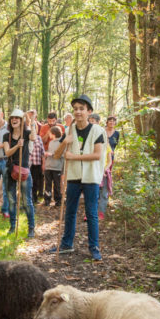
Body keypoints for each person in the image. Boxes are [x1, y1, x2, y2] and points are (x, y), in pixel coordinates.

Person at [51, 94, 107, 261]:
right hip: (74, 176)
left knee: (91, 213)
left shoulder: (98, 131)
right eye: (75, 109)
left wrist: (73, 157)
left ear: (89, 111)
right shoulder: (70, 130)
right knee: (70, 211)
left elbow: (97, 155)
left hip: (91, 177)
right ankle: (67, 244)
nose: (78, 112)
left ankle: (94, 247)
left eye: (82, 109)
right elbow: (56, 155)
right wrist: (64, 142)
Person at [5, 108, 35, 237]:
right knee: (12, 200)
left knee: (27, 201)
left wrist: (32, 120)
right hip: (11, 170)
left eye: (17, 118)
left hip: (24, 171)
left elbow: (34, 137)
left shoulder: (27, 133)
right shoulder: (7, 136)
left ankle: (31, 228)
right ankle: (12, 226)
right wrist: (17, 145)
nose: (14, 120)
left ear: (21, 121)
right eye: (12, 118)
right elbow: (7, 152)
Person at [98, 115, 120, 220]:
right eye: (110, 121)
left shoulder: (117, 133)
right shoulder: (102, 131)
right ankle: (93, 209)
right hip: (99, 158)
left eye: (113, 121)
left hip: (109, 157)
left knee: (105, 182)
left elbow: (115, 145)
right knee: (97, 185)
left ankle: (102, 209)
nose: (111, 122)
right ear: (106, 122)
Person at [43, 127, 63, 207]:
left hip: (57, 167)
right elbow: (50, 152)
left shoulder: (62, 142)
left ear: (53, 134)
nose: (49, 135)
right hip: (48, 166)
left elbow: (62, 154)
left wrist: (51, 154)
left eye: (50, 133)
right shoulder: (51, 142)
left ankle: (58, 201)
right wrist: (46, 153)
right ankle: (47, 200)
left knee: (57, 184)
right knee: (47, 184)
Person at [30, 131, 45, 205]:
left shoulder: (39, 138)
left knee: (35, 182)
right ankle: (29, 198)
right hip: (28, 164)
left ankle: (34, 198)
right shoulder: (26, 136)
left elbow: (42, 152)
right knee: (29, 182)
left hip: (37, 163)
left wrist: (43, 164)